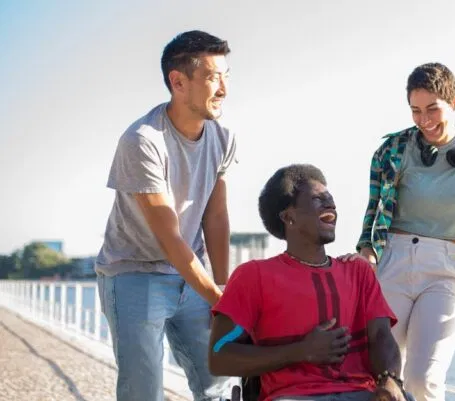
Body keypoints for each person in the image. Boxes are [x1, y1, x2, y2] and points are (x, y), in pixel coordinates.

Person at [347, 62, 455, 401]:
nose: (424, 119)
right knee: (378, 375)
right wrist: (367, 250)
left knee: (424, 379)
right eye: (415, 110)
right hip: (393, 264)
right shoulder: (392, 149)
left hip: (445, 268)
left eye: (432, 109)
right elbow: (373, 212)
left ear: (454, 102)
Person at [94, 30, 236, 401]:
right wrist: (218, 297)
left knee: (217, 384)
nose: (224, 89)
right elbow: (168, 235)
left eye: (227, 76)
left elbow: (216, 217)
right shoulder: (143, 140)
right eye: (213, 77)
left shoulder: (223, 137)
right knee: (143, 392)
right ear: (178, 82)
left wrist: (222, 289)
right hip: (134, 273)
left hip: (192, 273)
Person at [208, 164, 411, 401]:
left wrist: (390, 380)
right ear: (289, 217)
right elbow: (219, 356)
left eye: (330, 197)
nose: (330, 204)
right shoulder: (253, 276)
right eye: (317, 199)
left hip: (362, 394)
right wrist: (301, 351)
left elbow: (381, 336)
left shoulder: (358, 272)